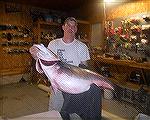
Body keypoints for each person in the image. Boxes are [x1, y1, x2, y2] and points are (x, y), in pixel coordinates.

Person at [30, 17, 102, 120]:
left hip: (74, 87)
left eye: (74, 26)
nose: (71, 28)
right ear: (63, 27)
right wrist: (36, 56)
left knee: (73, 115)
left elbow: (85, 69)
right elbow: (45, 63)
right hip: (57, 86)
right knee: (54, 113)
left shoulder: (82, 47)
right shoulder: (53, 44)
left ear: (76, 29)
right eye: (68, 25)